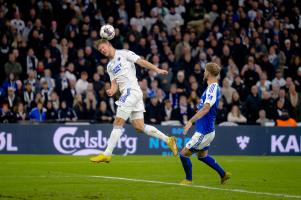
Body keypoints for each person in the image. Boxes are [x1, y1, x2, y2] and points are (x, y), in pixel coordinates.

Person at [90, 39, 178, 163]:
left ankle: (107, 153)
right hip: (131, 94)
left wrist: (157, 70)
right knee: (139, 127)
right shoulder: (110, 66)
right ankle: (168, 140)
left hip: (131, 91)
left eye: (103, 47)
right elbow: (114, 84)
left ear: (109, 44)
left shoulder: (124, 53)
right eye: (100, 50)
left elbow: (141, 62)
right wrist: (111, 90)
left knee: (118, 121)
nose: (102, 50)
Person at [179, 62, 231, 185]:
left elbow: (207, 108)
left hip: (204, 131)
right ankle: (224, 174)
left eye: (205, 71)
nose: (203, 73)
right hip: (207, 130)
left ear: (208, 72)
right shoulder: (210, 88)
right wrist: (200, 108)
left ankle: (188, 180)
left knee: (184, 154)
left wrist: (191, 121)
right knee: (202, 156)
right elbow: (205, 107)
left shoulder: (213, 87)